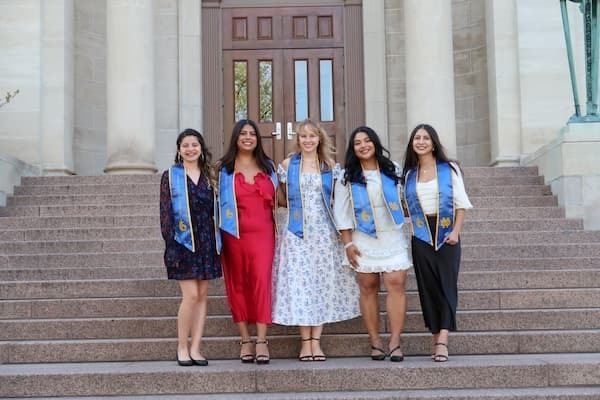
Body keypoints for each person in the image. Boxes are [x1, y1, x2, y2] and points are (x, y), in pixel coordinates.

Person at [272, 120, 360, 362]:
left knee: (319, 284)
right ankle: (305, 342)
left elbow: (337, 200)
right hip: (296, 232)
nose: (308, 140)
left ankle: (316, 342)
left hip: (323, 233)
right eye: (303, 136)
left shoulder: (329, 166)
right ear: (298, 140)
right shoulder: (288, 165)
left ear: (320, 139)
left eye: (312, 136)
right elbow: (281, 197)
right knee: (300, 284)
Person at [333, 126, 413, 362]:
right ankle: (376, 341)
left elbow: (403, 200)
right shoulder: (347, 175)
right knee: (368, 287)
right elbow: (342, 212)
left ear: (375, 143)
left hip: (391, 234)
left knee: (396, 283)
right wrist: (347, 244)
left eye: (367, 141)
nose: (363, 145)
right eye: (358, 143)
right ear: (353, 149)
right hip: (363, 237)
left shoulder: (391, 170)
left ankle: (395, 341)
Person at [402, 123, 473, 362]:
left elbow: (461, 203)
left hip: (446, 233)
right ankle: (435, 337)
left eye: (425, 138)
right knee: (428, 288)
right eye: (417, 138)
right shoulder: (409, 174)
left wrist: (455, 231)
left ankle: (443, 339)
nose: (421, 142)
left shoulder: (448, 168)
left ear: (433, 142)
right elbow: (405, 208)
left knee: (446, 285)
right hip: (421, 235)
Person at [159, 128, 222, 367]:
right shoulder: (170, 176)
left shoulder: (210, 177)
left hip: (207, 242)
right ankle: (182, 346)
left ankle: (196, 347)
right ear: (179, 150)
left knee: (203, 296)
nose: (190, 149)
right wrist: (170, 244)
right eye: (185, 145)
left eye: (194, 144)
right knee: (191, 295)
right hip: (183, 242)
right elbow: (165, 214)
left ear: (201, 148)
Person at [217, 119, 277, 365]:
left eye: (252, 133)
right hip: (234, 235)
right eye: (243, 133)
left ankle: (261, 340)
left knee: (261, 281)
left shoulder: (269, 166)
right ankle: (245, 340)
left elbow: (282, 198)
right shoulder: (224, 169)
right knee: (238, 284)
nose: (248, 137)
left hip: (263, 234)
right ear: (236, 138)